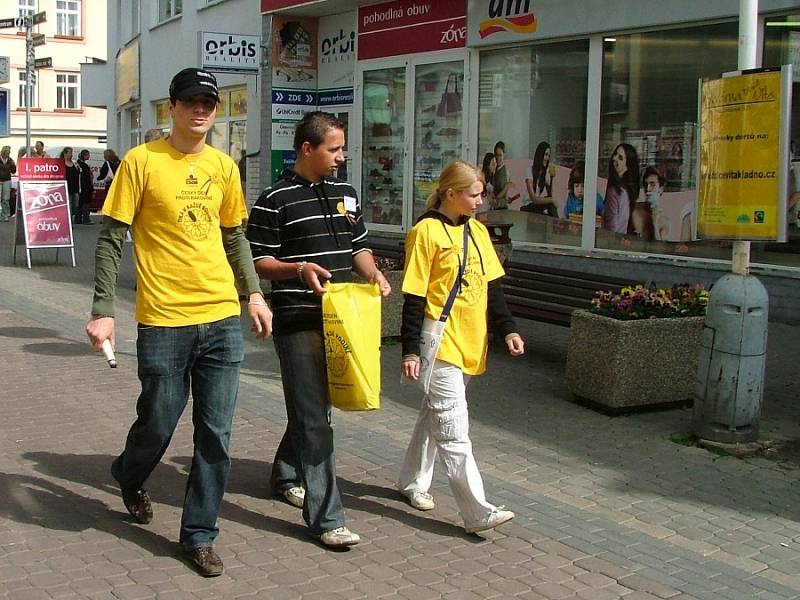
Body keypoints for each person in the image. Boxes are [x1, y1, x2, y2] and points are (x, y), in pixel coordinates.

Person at [85, 67, 273, 578]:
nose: (201, 110)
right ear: (172, 108)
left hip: (220, 319)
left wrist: (254, 293)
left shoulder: (224, 167)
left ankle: (198, 535)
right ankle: (129, 472)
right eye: (191, 101)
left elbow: (235, 236)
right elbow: (110, 238)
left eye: (208, 102)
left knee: (215, 434)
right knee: (159, 421)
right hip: (164, 320)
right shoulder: (142, 163)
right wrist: (104, 309)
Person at [246, 111, 391, 548]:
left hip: (343, 317)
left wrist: (374, 275)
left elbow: (358, 245)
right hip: (297, 320)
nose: (341, 158)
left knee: (317, 409)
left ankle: (286, 473)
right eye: (334, 149)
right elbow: (257, 263)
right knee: (315, 417)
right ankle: (326, 518)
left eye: (342, 149)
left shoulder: (346, 194)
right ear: (306, 149)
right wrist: (299, 268)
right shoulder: (274, 200)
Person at [397, 159, 525, 534]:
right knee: (453, 427)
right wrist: (408, 350)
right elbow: (414, 296)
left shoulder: (477, 232)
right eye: (474, 194)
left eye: (482, 194)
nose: (480, 201)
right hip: (441, 342)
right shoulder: (425, 233)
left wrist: (509, 330)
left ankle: (412, 482)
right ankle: (476, 511)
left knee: (433, 414)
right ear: (450, 194)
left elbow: (493, 288)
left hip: (473, 340)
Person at [602, 142, 639, 234]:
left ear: (627, 166)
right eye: (615, 154)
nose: (614, 158)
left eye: (620, 158)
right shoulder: (627, 190)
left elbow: (611, 226)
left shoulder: (614, 190)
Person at [522, 141, 558, 217]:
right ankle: (557, 224)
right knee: (550, 203)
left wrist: (552, 178)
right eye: (545, 155)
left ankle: (556, 224)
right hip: (527, 207)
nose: (547, 158)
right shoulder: (529, 171)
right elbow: (534, 199)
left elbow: (550, 194)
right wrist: (551, 199)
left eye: (548, 155)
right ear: (540, 155)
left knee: (550, 206)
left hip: (536, 207)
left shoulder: (546, 173)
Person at [642, 166, 669, 240]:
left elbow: (660, 249)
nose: (647, 189)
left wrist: (655, 225)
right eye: (645, 185)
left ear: (661, 189)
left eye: (652, 184)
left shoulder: (664, 220)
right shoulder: (636, 210)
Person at [60, 147, 81, 224]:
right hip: (66, 188)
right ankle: (68, 222)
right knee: (69, 205)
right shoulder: (61, 163)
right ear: (65, 154)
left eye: (72, 153)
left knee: (75, 205)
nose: (71, 155)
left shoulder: (74, 163)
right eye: (70, 153)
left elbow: (79, 173)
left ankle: (70, 219)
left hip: (75, 188)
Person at [491, 141, 512, 209]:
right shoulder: (493, 169)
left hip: (501, 208)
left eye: (500, 155)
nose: (498, 158)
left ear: (504, 155)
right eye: (496, 155)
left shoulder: (506, 172)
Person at [77, 149, 95, 225]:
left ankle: (78, 219)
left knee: (80, 203)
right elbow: (87, 179)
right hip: (85, 187)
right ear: (84, 155)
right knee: (86, 203)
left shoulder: (78, 164)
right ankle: (86, 219)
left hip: (79, 187)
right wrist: (92, 189)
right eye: (88, 155)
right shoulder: (84, 166)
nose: (89, 156)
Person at [0, 145, 16, 222]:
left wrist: (13, 165)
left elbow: (13, 171)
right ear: (4, 151)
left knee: (6, 199)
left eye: (9, 152)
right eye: (8, 152)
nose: (9, 153)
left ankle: (6, 215)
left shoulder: (10, 160)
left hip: (7, 180)